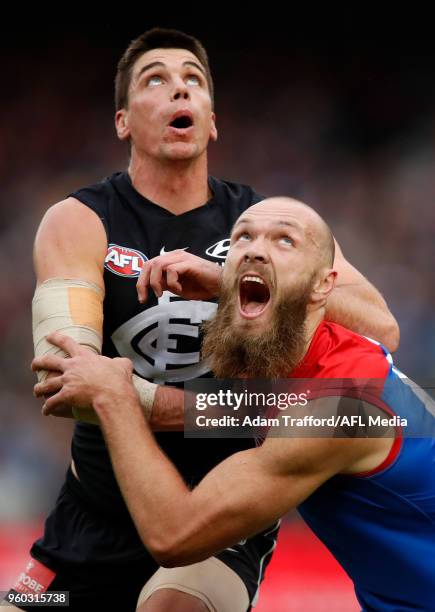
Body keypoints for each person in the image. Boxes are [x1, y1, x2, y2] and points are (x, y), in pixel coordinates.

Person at [12, 26, 399, 611]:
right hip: (93, 517)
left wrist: (229, 281)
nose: (180, 91)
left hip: (222, 510)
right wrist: (204, 406)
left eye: (194, 81)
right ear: (122, 120)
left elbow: (379, 332)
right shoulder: (79, 221)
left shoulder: (266, 227)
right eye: (157, 80)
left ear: (212, 120)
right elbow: (68, 380)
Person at [32, 198, 434, 612]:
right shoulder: (300, 353)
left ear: (323, 286)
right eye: (242, 237)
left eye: (285, 241)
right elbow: (214, 409)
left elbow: (174, 537)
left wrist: (114, 397)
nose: (256, 249)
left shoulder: (335, 409)